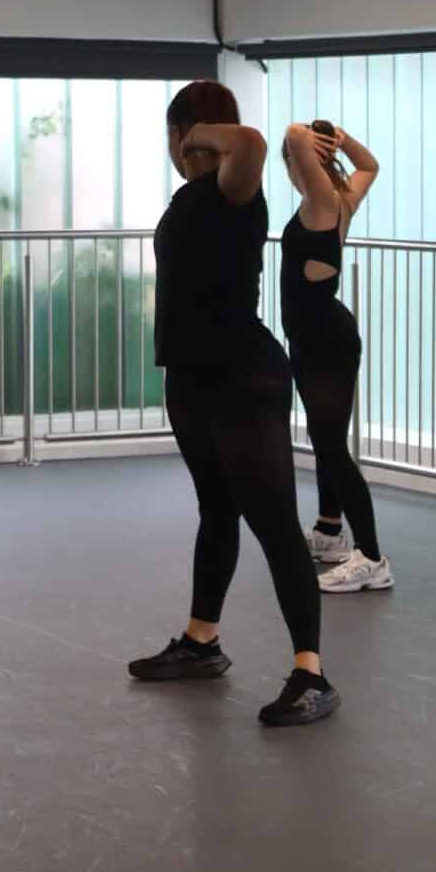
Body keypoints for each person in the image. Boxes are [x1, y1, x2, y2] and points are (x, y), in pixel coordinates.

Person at [127, 81, 340, 727]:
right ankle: (202, 640)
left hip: (243, 380)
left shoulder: (234, 190)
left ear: (184, 134)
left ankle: (312, 673)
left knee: (274, 522)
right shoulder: (193, 197)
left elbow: (247, 142)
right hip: (192, 379)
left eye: (178, 138)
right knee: (216, 511)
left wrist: (200, 138)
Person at [279, 119, 392, 594]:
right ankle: (329, 531)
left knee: (330, 448)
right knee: (325, 438)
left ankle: (371, 557)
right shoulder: (340, 199)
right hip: (318, 337)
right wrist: (343, 141)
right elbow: (371, 165)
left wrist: (300, 136)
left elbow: (297, 144)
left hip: (325, 340)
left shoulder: (322, 202)